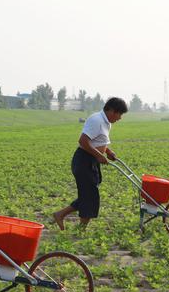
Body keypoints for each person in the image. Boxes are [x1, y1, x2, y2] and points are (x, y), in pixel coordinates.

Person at [53, 97, 128, 230]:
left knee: (89, 194)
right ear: (111, 110)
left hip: (91, 160)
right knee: (90, 196)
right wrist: (99, 155)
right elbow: (83, 141)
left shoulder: (106, 123)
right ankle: (80, 228)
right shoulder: (96, 120)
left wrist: (108, 151)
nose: (120, 118)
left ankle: (61, 214)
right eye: (119, 114)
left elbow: (98, 141)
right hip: (84, 160)